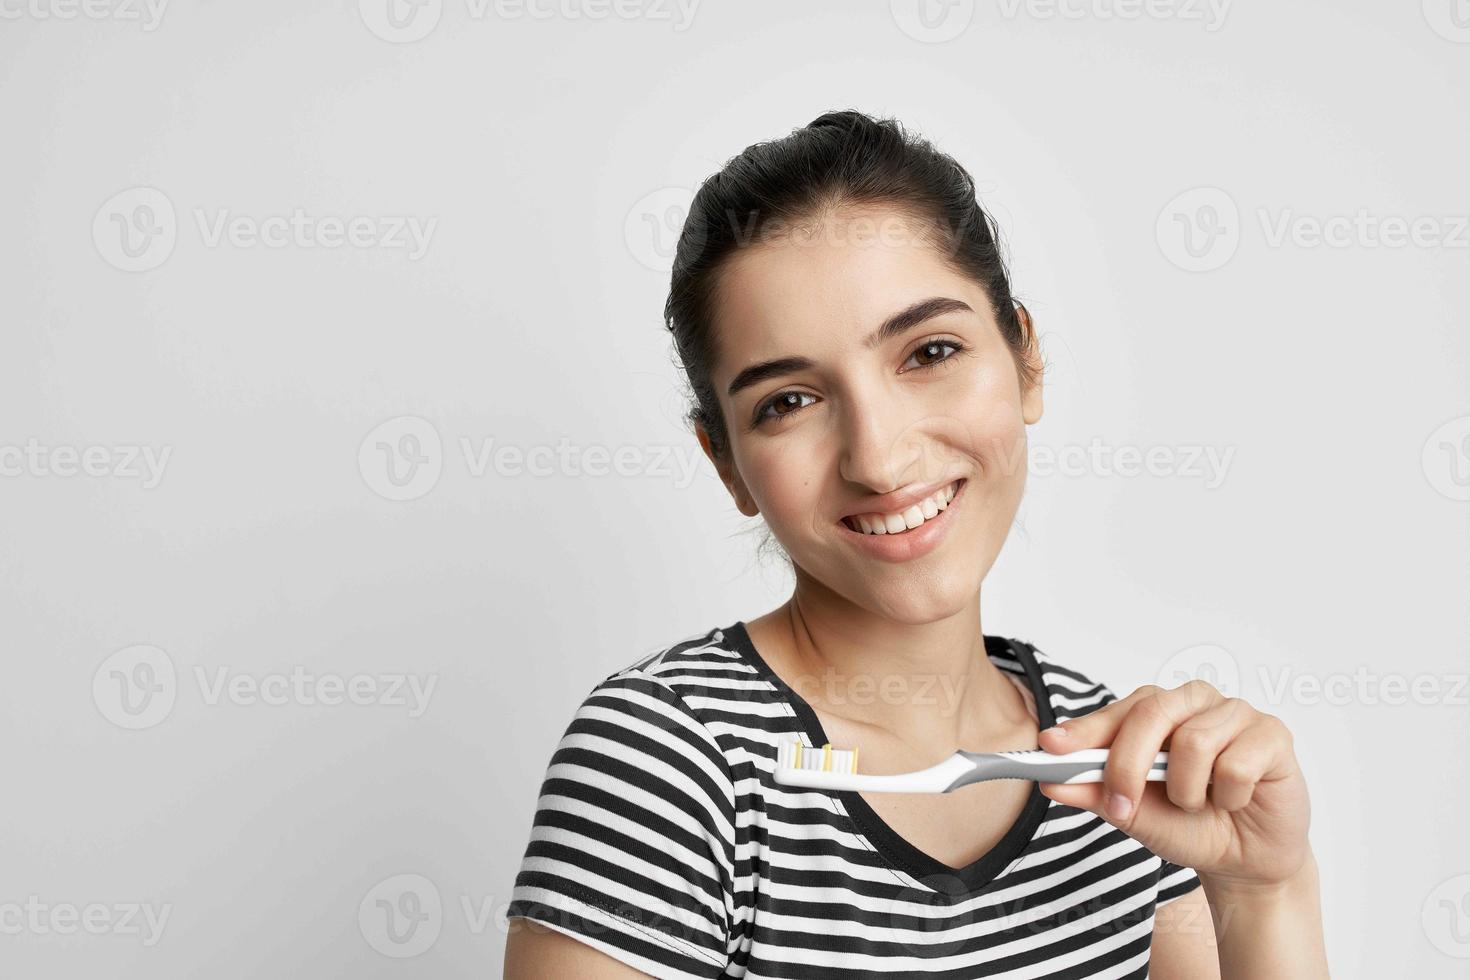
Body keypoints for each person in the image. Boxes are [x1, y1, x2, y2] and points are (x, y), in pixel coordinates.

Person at [502, 109, 1327, 978]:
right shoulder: (667, 764)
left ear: (1026, 359)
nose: (880, 457)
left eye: (929, 350)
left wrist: (1263, 893)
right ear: (728, 465)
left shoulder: (1121, 766)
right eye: (787, 401)